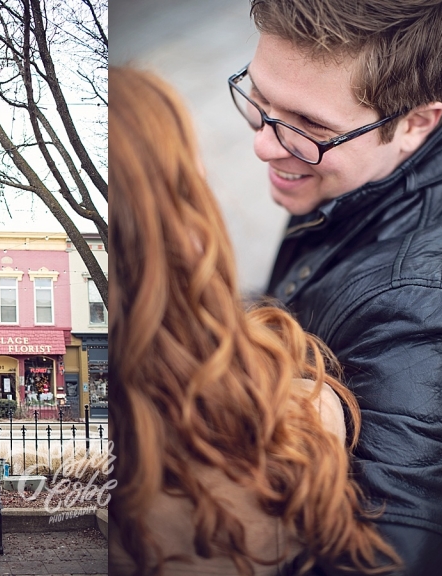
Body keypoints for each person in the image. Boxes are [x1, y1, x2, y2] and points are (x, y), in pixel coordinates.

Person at [227, 1, 442, 574]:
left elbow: (386, 555)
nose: (264, 145)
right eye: (261, 101)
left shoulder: (417, 315)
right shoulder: (379, 162)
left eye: (308, 128)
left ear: (417, 122)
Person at [109, 66, 400, 576]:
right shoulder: (297, 418)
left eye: (307, 123)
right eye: (192, 179)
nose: (264, 146)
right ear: (182, 227)